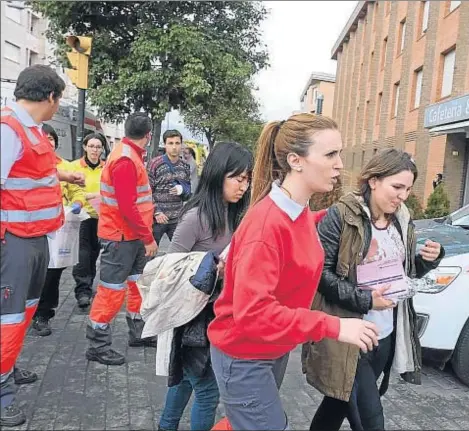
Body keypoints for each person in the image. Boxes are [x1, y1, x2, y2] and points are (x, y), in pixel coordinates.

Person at [208, 113, 379, 431]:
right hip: (244, 354)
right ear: (295, 161)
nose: (340, 164)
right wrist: (333, 326)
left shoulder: (296, 209)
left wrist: (339, 220)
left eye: (339, 153)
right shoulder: (267, 226)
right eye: (330, 154)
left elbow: (300, 234)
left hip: (269, 348)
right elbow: (253, 314)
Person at [305, 148, 444, 431]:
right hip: (351, 337)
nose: (403, 195)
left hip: (385, 336)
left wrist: (428, 261)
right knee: (371, 422)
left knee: (336, 405)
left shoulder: (402, 219)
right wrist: (366, 300)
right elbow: (320, 274)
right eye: (397, 187)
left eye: (407, 188)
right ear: (373, 180)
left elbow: (401, 273)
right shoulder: (342, 215)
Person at [0, 64, 85, 427]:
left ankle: (8, 367)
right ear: (50, 97)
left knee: (25, 313)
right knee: (8, 317)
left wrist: (66, 173)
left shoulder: (30, 130)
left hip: (35, 240)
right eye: (59, 100)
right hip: (14, 244)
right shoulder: (8, 129)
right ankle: (2, 392)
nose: (58, 106)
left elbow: (34, 170)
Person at [158, 142, 253, 431]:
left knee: (186, 380)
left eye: (247, 179)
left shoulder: (231, 213)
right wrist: (212, 269)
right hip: (192, 321)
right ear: (217, 175)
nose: (243, 186)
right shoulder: (196, 217)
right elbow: (169, 269)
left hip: (214, 315)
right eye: (237, 178)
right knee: (207, 391)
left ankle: (166, 426)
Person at [85, 113, 158, 366]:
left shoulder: (127, 155)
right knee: (111, 291)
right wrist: (148, 238)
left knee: (137, 285)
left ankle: (139, 333)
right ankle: (98, 345)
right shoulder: (126, 160)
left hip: (129, 236)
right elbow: (128, 207)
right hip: (122, 237)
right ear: (148, 135)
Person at [32, 124, 86, 336]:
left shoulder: (65, 167)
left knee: (52, 273)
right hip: (32, 228)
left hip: (58, 229)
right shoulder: (30, 166)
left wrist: (78, 204)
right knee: (33, 273)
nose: (49, 141)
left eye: (52, 138)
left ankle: (43, 314)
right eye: (44, 138)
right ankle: (28, 310)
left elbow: (77, 192)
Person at [70, 132, 107, 309]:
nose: (94, 150)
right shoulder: (74, 166)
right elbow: (67, 189)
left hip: (101, 217)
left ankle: (88, 284)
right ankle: (82, 291)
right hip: (81, 216)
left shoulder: (107, 168)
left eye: (98, 147)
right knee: (82, 255)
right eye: (91, 146)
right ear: (85, 147)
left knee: (94, 253)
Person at [147, 130, 191, 245]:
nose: (174, 147)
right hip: (157, 219)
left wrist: (182, 190)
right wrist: (156, 212)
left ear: (181, 145)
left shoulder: (185, 166)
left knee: (178, 255)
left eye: (177, 143)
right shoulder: (155, 164)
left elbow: (188, 192)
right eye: (170, 143)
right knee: (149, 255)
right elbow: (146, 192)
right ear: (165, 145)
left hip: (176, 219)